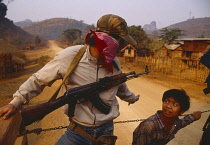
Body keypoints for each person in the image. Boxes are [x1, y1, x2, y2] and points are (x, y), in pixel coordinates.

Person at [0, 14, 140, 145]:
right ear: (107, 40)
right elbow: (38, 80)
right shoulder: (70, 56)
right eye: (120, 42)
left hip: (106, 133)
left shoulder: (114, 63)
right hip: (77, 133)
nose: (121, 48)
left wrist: (132, 98)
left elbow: (119, 85)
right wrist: (15, 103)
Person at [132, 89, 202, 145]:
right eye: (166, 101)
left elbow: (183, 122)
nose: (168, 106)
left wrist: (194, 116)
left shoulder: (174, 123)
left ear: (182, 112)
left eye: (175, 104)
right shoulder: (148, 126)